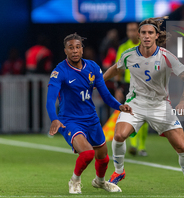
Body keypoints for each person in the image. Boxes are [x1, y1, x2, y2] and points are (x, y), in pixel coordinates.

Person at [103, 17, 184, 191]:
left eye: (150, 33)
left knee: (181, 146)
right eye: (143, 33)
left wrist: (183, 100)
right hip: (135, 103)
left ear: (157, 35)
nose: (147, 36)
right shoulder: (129, 54)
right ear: (138, 35)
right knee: (119, 135)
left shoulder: (166, 56)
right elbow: (116, 68)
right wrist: (98, 81)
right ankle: (119, 171)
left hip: (160, 106)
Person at [46, 33, 132, 194]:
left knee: (104, 157)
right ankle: (74, 180)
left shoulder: (92, 67)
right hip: (70, 120)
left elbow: (105, 94)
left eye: (78, 47)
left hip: (91, 119)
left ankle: (100, 182)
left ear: (82, 49)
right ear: (65, 50)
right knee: (87, 154)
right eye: (71, 47)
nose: (75, 51)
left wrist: (119, 106)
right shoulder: (60, 71)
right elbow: (50, 100)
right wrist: (54, 119)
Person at [115, 22, 149, 156]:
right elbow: (118, 69)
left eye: (134, 30)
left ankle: (142, 147)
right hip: (130, 86)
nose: (132, 33)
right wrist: (118, 88)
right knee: (132, 115)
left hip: (146, 85)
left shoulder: (146, 46)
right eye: (129, 30)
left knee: (145, 117)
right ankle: (134, 145)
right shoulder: (123, 47)